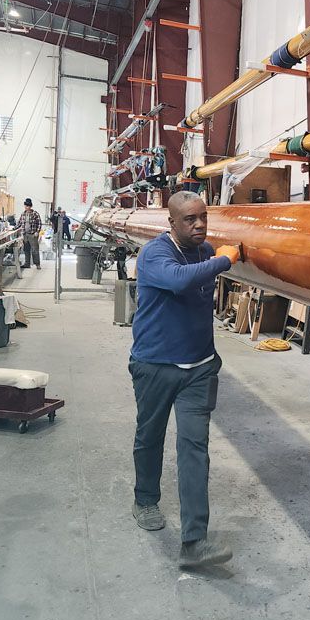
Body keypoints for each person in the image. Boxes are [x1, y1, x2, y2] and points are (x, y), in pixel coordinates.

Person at [128, 190, 241, 568]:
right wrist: (225, 258)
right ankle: (145, 499)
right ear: (171, 223)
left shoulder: (204, 251)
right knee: (150, 436)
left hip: (199, 367)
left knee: (195, 450)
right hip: (156, 365)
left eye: (203, 217)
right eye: (190, 219)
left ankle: (194, 541)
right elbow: (178, 281)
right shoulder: (155, 255)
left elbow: (213, 261)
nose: (199, 225)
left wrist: (222, 254)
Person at [16, 198, 42, 270]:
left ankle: (37, 264)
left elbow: (39, 223)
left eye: (28, 206)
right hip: (25, 234)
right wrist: (14, 228)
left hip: (33, 234)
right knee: (26, 249)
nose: (27, 207)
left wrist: (37, 232)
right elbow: (19, 223)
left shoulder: (35, 214)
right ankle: (27, 264)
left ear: (30, 206)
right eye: (26, 206)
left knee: (35, 250)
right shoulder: (23, 214)